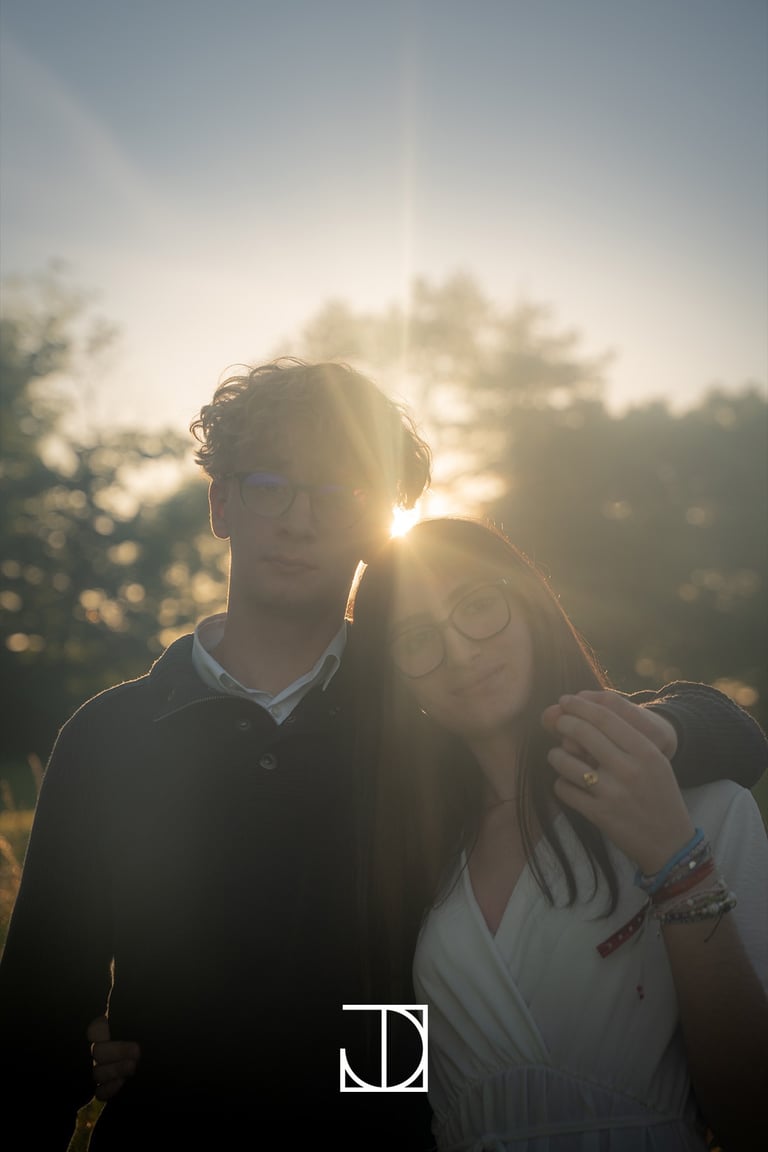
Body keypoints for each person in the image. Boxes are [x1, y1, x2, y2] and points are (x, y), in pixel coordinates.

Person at [1, 361, 766, 1150]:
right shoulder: (111, 736)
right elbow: (37, 1027)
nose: (301, 520)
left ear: (380, 523)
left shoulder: (424, 718)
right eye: (270, 485)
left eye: (340, 492)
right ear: (221, 504)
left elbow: (727, 733)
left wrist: (664, 729)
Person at [346, 515, 768, 1151]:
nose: (459, 650)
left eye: (477, 606)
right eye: (416, 638)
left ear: (530, 605)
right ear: (397, 679)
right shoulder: (402, 859)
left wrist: (677, 866)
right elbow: (382, 1088)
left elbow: (754, 1116)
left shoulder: (699, 807)